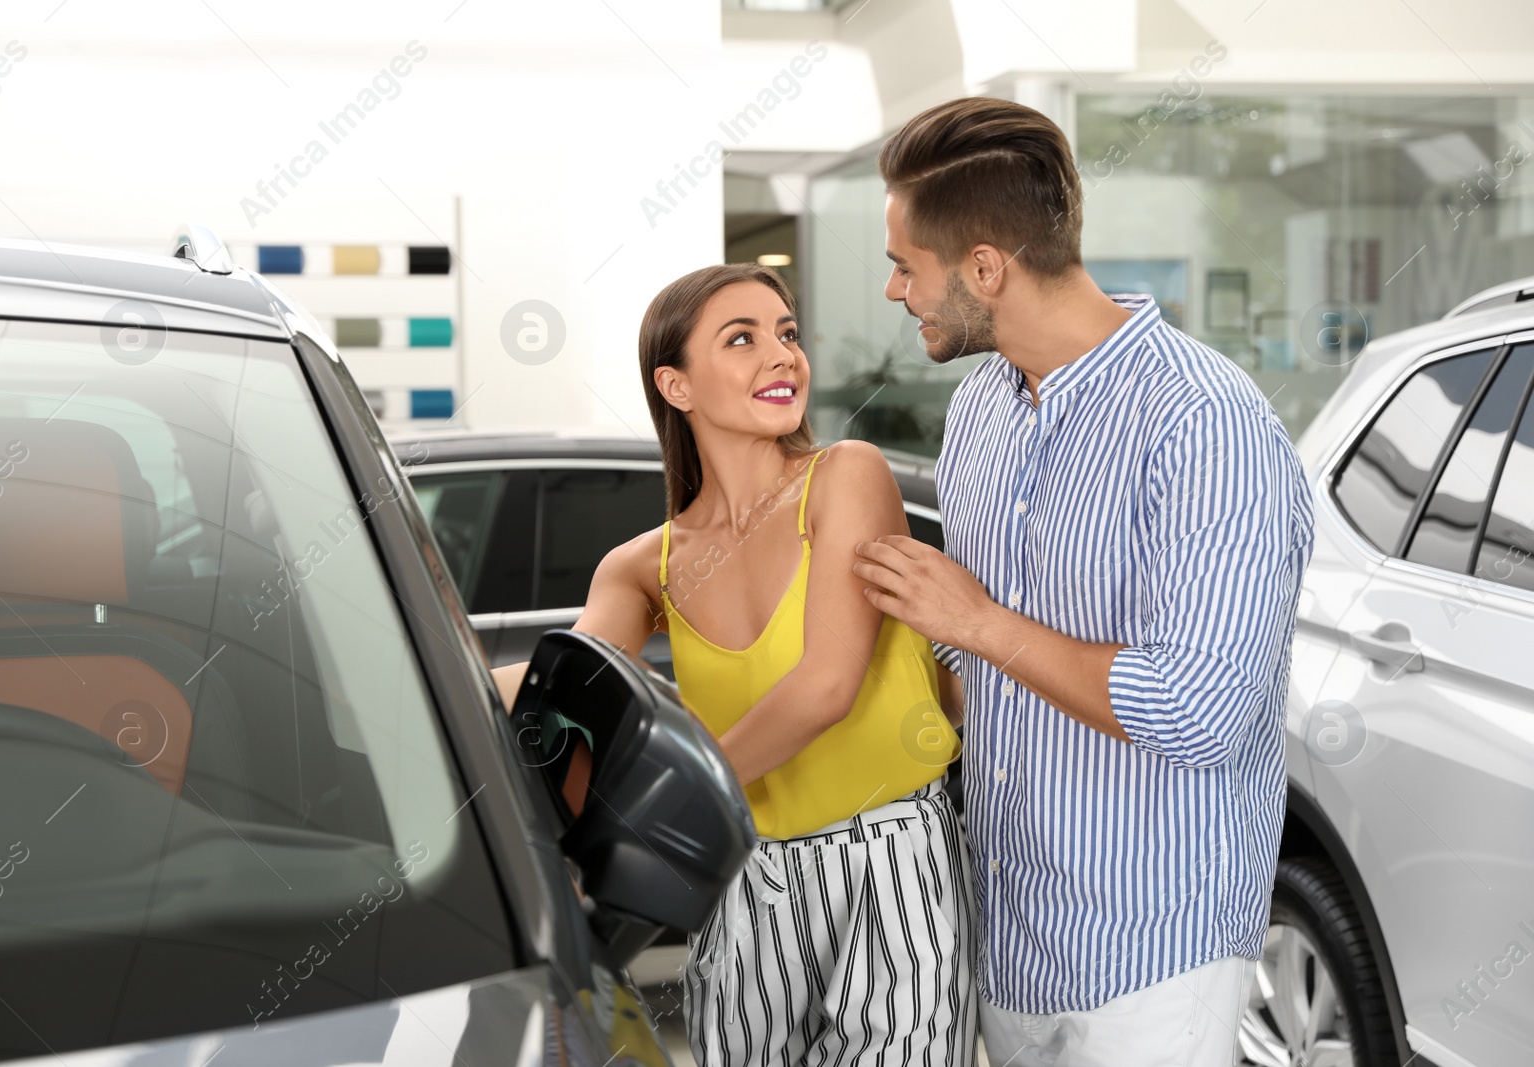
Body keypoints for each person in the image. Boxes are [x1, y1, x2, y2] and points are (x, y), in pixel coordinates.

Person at [850, 97, 1314, 1067]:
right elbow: (968, 658)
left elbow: (1198, 709)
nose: (894, 290)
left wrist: (976, 620)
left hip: (1154, 957)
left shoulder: (1203, 424)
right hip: (1008, 934)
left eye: (905, 264)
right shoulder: (979, 408)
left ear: (985, 266)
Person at [493, 263, 976, 1066]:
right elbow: (567, 696)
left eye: (786, 334)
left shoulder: (847, 476)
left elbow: (825, 686)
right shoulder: (641, 566)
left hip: (889, 861)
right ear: (675, 385)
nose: (780, 354)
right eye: (742, 338)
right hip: (745, 876)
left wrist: (674, 805)